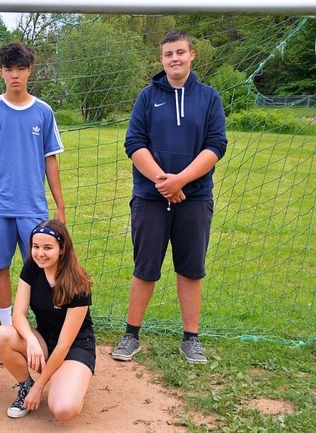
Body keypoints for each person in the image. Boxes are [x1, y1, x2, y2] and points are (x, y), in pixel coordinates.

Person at [111, 30, 228, 364]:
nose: (174, 59)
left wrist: (181, 182)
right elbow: (134, 143)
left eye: (180, 52)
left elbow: (216, 145)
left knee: (191, 269)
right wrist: (163, 181)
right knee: (145, 267)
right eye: (168, 54)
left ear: (192, 55)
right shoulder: (148, 97)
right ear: (161, 60)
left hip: (195, 198)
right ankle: (131, 335)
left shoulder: (209, 98)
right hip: (150, 196)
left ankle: (191, 339)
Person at [0, 42, 65, 346]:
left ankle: (42, 328)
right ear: (1, 72)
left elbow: (51, 159)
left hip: (32, 207)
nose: (15, 75)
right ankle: (8, 330)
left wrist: (59, 206)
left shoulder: (43, 111)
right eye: (9, 69)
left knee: (40, 268)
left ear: (29, 70)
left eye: (20, 69)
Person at [0, 219, 95, 421]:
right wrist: (31, 340)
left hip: (75, 347)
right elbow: (18, 314)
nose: (40, 253)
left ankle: (68, 378)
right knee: (1, 335)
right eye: (35, 246)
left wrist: (41, 387)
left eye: (48, 247)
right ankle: (25, 385)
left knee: (64, 410)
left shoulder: (79, 284)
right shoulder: (32, 267)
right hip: (44, 342)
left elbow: (64, 345)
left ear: (62, 248)